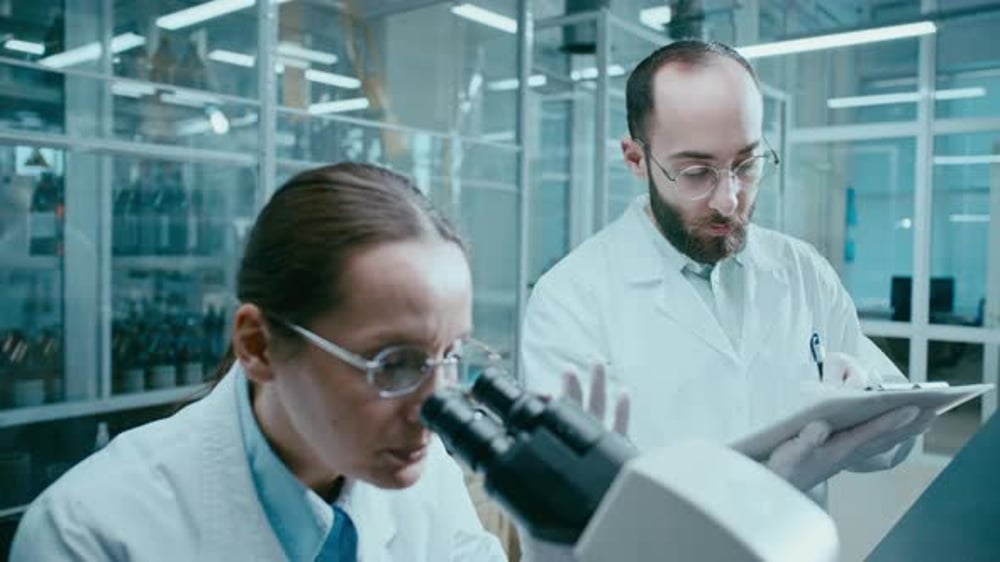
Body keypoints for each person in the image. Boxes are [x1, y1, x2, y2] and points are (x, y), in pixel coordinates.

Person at [11, 163, 508, 561]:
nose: (435, 407)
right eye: (395, 364)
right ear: (258, 345)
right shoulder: (89, 532)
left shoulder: (428, 476)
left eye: (451, 356)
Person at [521, 40, 933, 499]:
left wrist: (864, 406)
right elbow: (570, 499)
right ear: (637, 159)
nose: (729, 199)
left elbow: (896, 438)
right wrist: (754, 491)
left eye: (746, 164)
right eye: (697, 172)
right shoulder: (571, 300)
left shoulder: (801, 270)